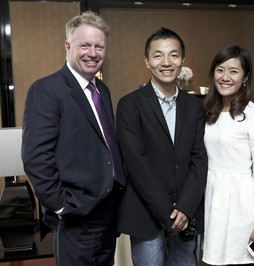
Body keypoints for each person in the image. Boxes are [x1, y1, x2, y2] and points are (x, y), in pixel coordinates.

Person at [21, 11, 126, 266]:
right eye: (85, 45)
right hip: (75, 215)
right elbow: (36, 158)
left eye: (99, 46)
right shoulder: (46, 90)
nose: (93, 53)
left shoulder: (102, 89)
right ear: (68, 46)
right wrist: (62, 206)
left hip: (106, 212)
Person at [116, 27, 208, 266]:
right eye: (158, 55)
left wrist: (186, 208)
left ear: (182, 60)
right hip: (146, 214)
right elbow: (136, 163)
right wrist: (169, 213)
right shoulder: (129, 105)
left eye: (174, 55)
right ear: (147, 61)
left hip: (187, 214)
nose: (166, 62)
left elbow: (199, 159)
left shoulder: (194, 106)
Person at [202, 45, 254, 266]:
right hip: (214, 201)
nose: (225, 77)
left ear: (245, 77)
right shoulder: (208, 113)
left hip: (242, 205)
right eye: (220, 70)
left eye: (234, 71)